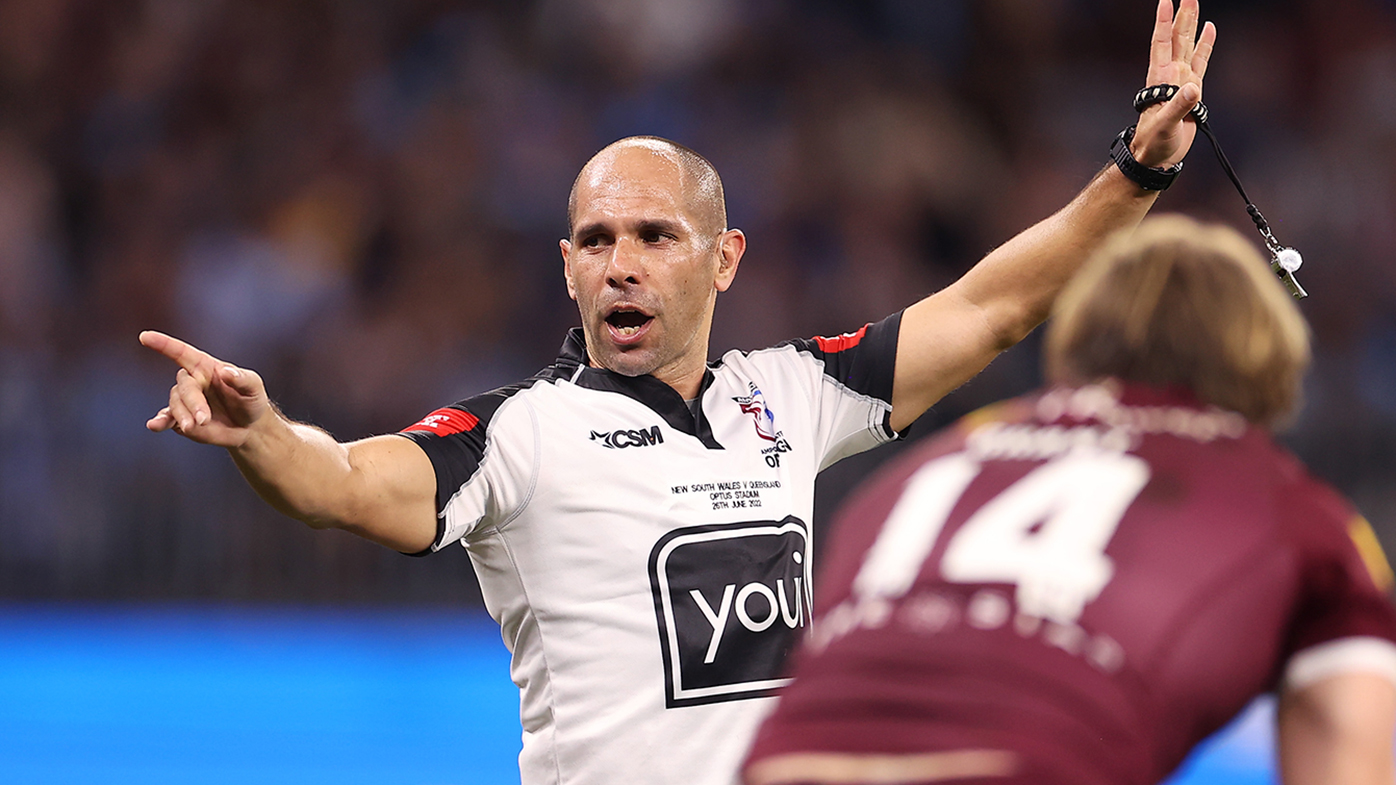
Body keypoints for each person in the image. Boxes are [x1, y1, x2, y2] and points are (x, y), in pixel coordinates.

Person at [141, 2, 1217, 782]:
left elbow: (990, 308)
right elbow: (344, 483)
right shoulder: (515, 431)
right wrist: (263, 433)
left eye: (655, 235)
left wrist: (1134, 174)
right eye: (597, 239)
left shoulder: (794, 391)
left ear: (723, 257)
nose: (622, 262)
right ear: (566, 264)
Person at [740, 214, 1396, 785]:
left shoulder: (923, 468)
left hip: (785, 762)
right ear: (1267, 360)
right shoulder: (1292, 508)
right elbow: (1346, 749)